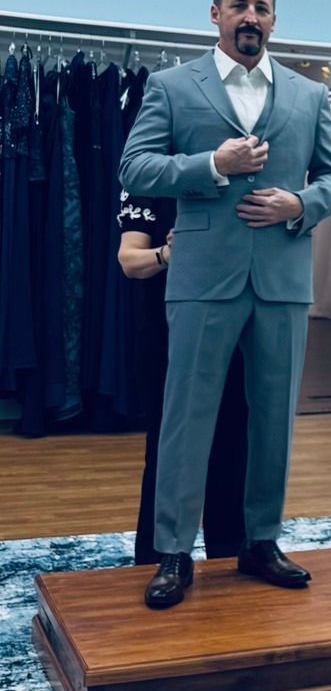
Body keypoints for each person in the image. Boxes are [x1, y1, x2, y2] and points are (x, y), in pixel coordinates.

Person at [118, 0, 331, 610]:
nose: (252, 17)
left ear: (274, 20)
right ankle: (172, 552)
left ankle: (260, 542)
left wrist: (298, 205)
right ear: (216, 13)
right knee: (185, 419)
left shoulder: (308, 97)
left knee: (273, 420)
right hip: (199, 278)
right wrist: (211, 165)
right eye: (240, 5)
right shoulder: (170, 87)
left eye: (263, 7)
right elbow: (135, 166)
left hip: (281, 281)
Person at [117, 193, 248, 567]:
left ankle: (230, 555)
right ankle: (159, 558)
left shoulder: (234, 178)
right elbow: (129, 260)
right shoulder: (149, 175)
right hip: (166, 328)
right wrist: (167, 254)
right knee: (168, 444)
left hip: (235, 318)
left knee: (234, 439)